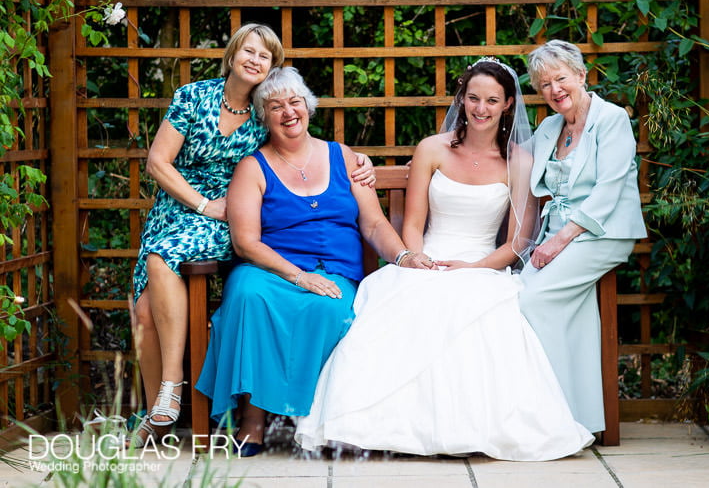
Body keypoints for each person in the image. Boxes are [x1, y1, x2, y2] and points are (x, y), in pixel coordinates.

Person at [295, 58, 595, 461]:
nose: (481, 108)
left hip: (484, 265)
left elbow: (518, 241)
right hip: (428, 259)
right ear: (462, 100)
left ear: (508, 104)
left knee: (481, 307)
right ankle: (383, 425)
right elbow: (414, 223)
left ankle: (468, 428)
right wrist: (418, 260)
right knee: (407, 298)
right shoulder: (432, 149)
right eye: (473, 98)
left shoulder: (519, 162)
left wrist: (473, 269)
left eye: (492, 100)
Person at [129, 24, 375, 447]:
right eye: (249, 50)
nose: (255, 60)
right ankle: (161, 409)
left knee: (158, 263)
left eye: (266, 56)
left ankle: (169, 395)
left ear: (272, 68)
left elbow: (300, 143)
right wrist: (203, 204)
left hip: (231, 219)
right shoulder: (193, 97)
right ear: (232, 53)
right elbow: (157, 162)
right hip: (181, 211)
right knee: (146, 309)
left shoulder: (266, 116)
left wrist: (360, 160)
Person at [194, 66, 433, 458]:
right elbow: (246, 241)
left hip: (336, 272)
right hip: (270, 270)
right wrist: (298, 275)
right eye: (275, 106)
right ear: (262, 116)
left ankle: (311, 419)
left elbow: (373, 223)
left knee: (329, 308)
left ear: (308, 105)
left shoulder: (347, 158)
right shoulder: (252, 168)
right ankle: (253, 418)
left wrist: (404, 256)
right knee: (247, 295)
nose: (288, 112)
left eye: (294, 101)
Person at [518, 40, 647, 435]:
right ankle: (578, 417)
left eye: (561, 79)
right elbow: (509, 161)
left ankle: (552, 415)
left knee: (533, 299)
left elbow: (608, 189)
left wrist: (559, 241)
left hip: (600, 232)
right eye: (544, 85)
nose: (555, 90)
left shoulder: (610, 119)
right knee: (512, 299)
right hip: (554, 235)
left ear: (581, 75)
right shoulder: (548, 127)